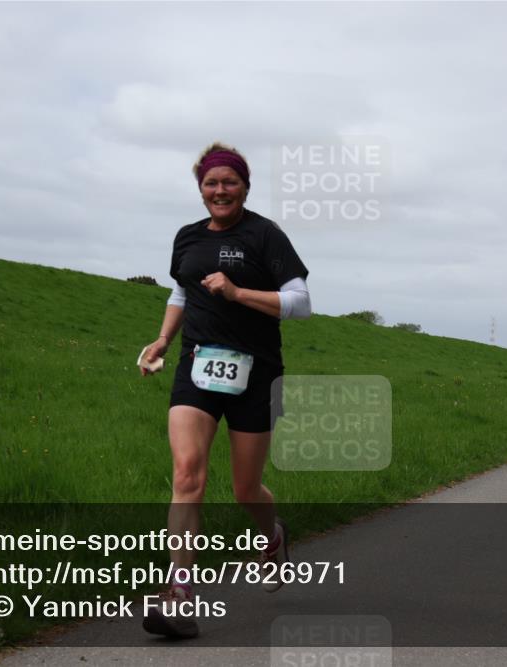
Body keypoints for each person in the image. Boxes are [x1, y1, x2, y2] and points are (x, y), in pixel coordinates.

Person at [139, 142, 311, 638]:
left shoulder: (265, 235)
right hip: (196, 366)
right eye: (211, 183)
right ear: (200, 189)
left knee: (243, 488)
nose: (219, 190)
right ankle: (179, 594)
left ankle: (272, 539)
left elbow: (300, 303)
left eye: (228, 182)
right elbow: (181, 290)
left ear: (244, 186)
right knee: (187, 474)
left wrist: (237, 293)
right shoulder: (188, 237)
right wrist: (163, 339)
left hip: (256, 373)